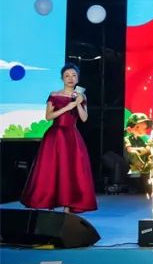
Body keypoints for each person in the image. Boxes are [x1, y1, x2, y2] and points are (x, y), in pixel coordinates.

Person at [20, 63, 97, 213]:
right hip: (55, 136)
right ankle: (49, 203)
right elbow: (48, 116)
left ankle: (67, 208)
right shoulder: (54, 95)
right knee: (51, 169)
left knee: (70, 171)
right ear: (62, 78)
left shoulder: (81, 96)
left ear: (78, 78)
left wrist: (78, 103)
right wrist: (68, 107)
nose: (70, 78)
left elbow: (84, 118)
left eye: (73, 75)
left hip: (72, 137)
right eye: (67, 75)